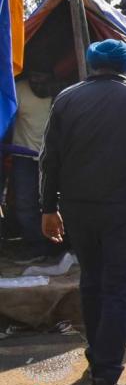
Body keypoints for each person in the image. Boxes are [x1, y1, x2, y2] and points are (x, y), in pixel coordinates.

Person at [39, 39, 126, 385]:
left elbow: (49, 158)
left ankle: (96, 355)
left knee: (92, 282)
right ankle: (105, 379)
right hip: (125, 210)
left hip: (78, 209)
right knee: (117, 287)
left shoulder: (67, 98)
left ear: (91, 64)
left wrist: (48, 207)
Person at [8, 69, 57, 263]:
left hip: (53, 158)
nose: (37, 81)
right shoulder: (18, 90)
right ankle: (37, 247)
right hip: (25, 157)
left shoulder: (60, 91)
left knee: (55, 203)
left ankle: (57, 245)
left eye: (42, 74)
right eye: (35, 76)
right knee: (25, 203)